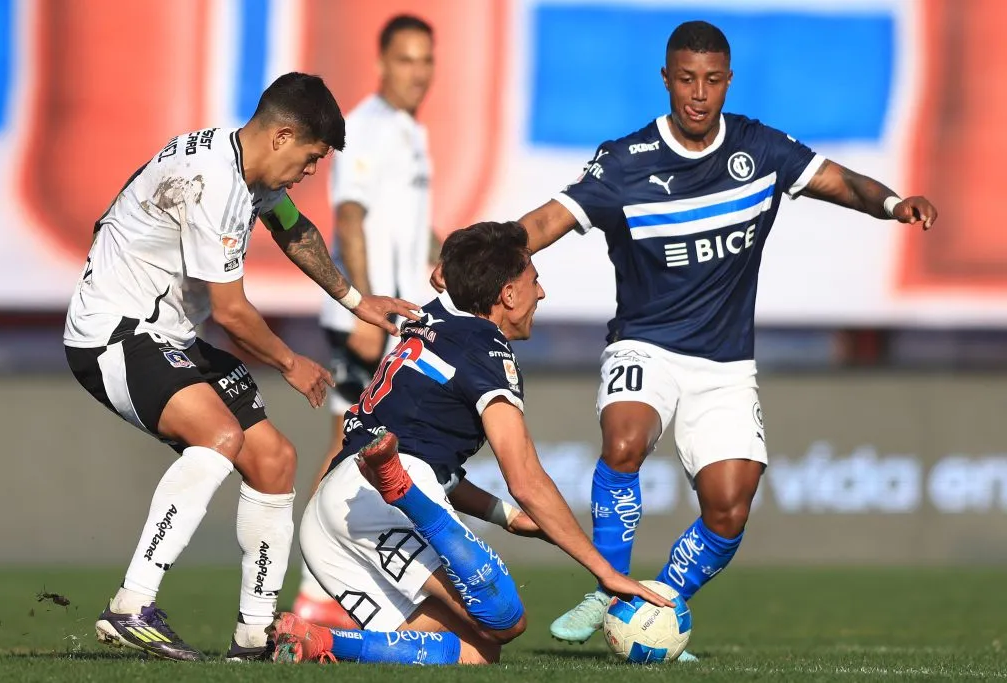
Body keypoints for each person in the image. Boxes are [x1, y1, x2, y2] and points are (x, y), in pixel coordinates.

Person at [434, 20, 938, 656]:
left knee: (730, 507)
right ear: (666, 80)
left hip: (726, 366)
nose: (699, 93)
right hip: (645, 346)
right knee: (624, 440)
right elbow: (543, 222)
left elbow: (844, 183)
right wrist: (466, 268)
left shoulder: (761, 150)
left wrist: (894, 205)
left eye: (712, 80)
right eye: (686, 79)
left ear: (727, 82)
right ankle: (610, 590)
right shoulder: (624, 162)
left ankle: (660, 604)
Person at [63, 72, 419, 661]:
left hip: (167, 335)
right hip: (114, 335)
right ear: (282, 136)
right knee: (220, 436)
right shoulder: (217, 184)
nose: (309, 173)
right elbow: (230, 311)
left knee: (275, 460)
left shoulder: (245, 171)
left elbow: (293, 229)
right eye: (310, 159)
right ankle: (132, 604)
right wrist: (290, 361)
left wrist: (357, 301)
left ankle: (254, 635)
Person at [272, 221, 669, 666]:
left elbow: (431, 460)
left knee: (476, 653)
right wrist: (607, 573)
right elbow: (526, 480)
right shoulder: (487, 350)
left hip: (330, 510)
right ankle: (407, 496)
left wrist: (507, 518)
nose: (542, 294)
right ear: (507, 295)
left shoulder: (432, 318)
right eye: (533, 281)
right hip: (389, 496)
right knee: (505, 620)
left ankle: (319, 642)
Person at [294, 14, 440, 626]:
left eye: (426, 61)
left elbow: (413, 228)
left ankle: (340, 586)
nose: (418, 73)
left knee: (376, 448)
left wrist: (451, 260)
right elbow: (349, 217)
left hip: (399, 317)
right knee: (348, 446)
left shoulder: (410, 132)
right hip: (368, 318)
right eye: (407, 60)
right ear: (382, 64)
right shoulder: (371, 128)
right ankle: (312, 590)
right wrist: (363, 305)